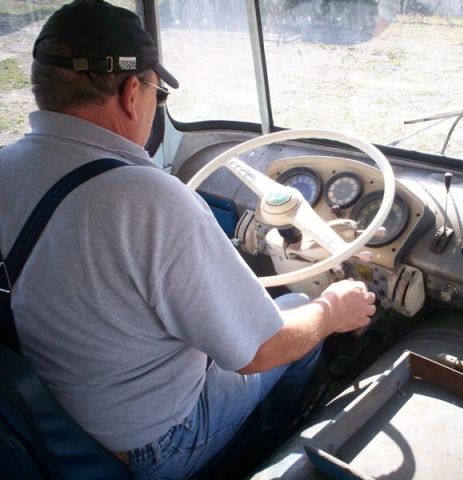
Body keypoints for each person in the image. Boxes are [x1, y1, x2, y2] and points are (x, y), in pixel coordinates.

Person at [0, 1, 376, 478]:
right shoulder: (148, 197)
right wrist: (333, 312)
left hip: (50, 423)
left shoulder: (7, 167)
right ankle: (263, 452)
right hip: (152, 445)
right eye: (159, 93)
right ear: (132, 91)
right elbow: (258, 351)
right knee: (301, 309)